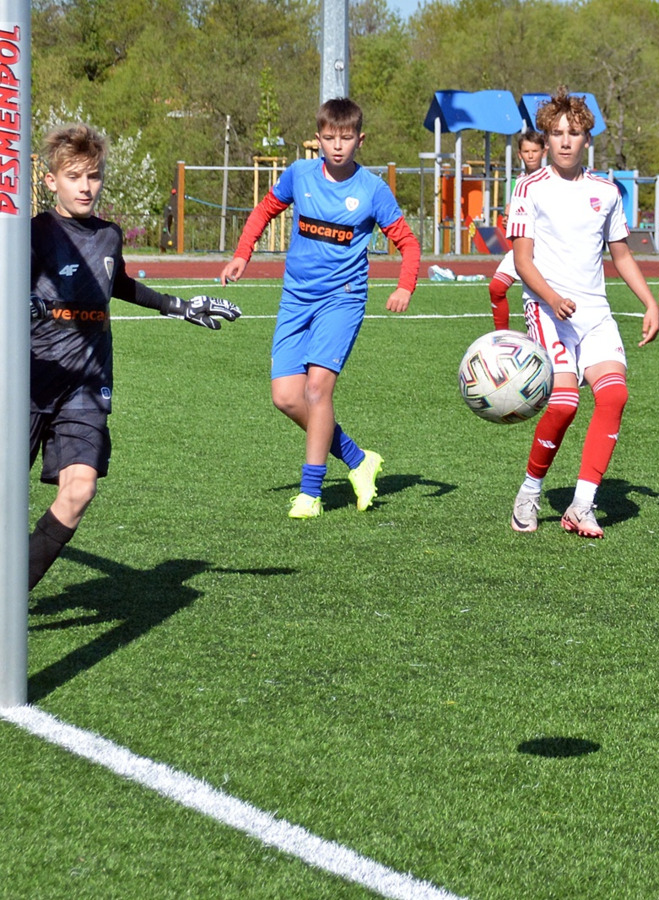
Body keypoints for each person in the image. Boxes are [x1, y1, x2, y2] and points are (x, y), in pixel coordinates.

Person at [29, 123, 241, 590]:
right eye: (74, 177)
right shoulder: (32, 234)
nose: (85, 187)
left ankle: (11, 588)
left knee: (79, 491)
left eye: (94, 176)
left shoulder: (109, 236)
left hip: (86, 387)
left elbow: (117, 284)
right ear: (51, 181)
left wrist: (178, 306)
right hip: (30, 383)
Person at [220, 98, 421, 519]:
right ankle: (358, 458)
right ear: (318, 139)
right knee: (286, 397)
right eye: (329, 138)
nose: (337, 146)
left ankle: (311, 495)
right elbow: (264, 210)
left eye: (346, 138)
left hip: (342, 298)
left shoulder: (372, 190)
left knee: (316, 390)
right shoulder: (299, 174)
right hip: (296, 298)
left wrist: (405, 286)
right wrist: (242, 254)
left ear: (360, 140)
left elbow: (408, 242)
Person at [506, 88, 659, 539]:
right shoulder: (529, 188)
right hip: (546, 310)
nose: (565, 141)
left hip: (594, 313)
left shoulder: (606, 192)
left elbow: (622, 255)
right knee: (564, 404)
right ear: (546, 139)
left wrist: (650, 302)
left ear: (587, 139)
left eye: (573, 133)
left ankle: (581, 505)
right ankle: (530, 492)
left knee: (614, 396)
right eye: (557, 133)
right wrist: (552, 298)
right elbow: (522, 262)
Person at [487, 130, 547, 330]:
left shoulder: (549, 182)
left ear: (544, 152)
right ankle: (502, 337)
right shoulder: (520, 181)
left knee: (542, 301)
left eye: (535, 151)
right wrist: (511, 221)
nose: (531, 156)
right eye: (526, 151)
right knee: (496, 288)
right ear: (519, 154)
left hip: (544, 250)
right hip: (521, 250)